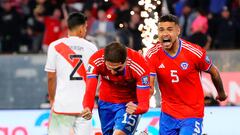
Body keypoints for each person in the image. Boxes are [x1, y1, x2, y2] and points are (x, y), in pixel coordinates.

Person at [145, 14, 227, 135]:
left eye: (169, 29)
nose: (165, 34)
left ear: (178, 30)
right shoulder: (152, 54)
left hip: (192, 114)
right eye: (161, 29)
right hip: (168, 115)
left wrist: (221, 93)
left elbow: (214, 72)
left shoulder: (194, 52)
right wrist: (139, 101)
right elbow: (150, 87)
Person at [44, 12, 98, 135]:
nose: (85, 30)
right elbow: (94, 78)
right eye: (85, 27)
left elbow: (51, 78)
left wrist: (52, 99)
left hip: (62, 105)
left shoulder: (55, 46)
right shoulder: (91, 48)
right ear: (80, 28)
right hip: (84, 107)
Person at [81, 42, 151, 135]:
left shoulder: (139, 65)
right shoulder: (96, 60)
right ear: (104, 60)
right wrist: (87, 107)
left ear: (126, 61)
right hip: (105, 103)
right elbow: (90, 89)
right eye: (109, 68)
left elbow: (144, 104)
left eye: (117, 69)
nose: (113, 72)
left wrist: (138, 109)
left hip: (128, 104)